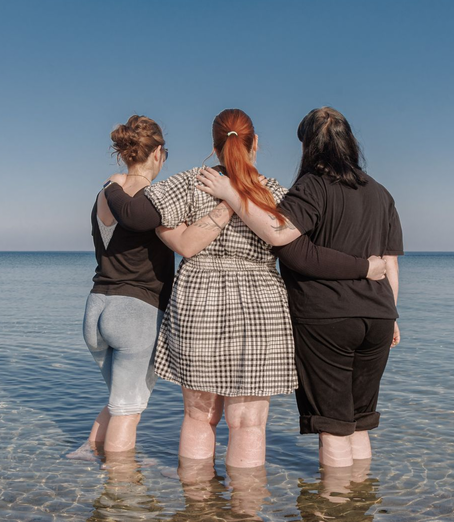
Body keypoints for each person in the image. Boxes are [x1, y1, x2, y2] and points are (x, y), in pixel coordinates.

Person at [105, 108, 388, 468]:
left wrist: (170, 232)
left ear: (214, 145)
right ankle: (246, 508)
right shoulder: (275, 192)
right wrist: (366, 270)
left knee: (198, 418)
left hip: (198, 301)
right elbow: (307, 250)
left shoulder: (193, 180)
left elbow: (140, 215)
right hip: (261, 305)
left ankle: (198, 507)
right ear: (255, 145)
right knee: (249, 424)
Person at [197, 106, 403, 468]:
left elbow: (281, 234)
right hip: (380, 316)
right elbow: (390, 265)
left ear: (309, 146)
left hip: (327, 320)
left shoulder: (312, 186)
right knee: (359, 425)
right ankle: (359, 504)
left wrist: (231, 195)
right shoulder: (382, 194)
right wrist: (393, 315)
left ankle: (334, 508)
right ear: (350, 141)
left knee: (334, 428)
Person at [68, 115, 230, 460]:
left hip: (96, 308)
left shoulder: (106, 193)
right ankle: (120, 488)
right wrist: (229, 206)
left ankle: (86, 453)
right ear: (158, 153)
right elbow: (187, 242)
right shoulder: (155, 202)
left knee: (120, 399)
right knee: (129, 409)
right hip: (136, 313)